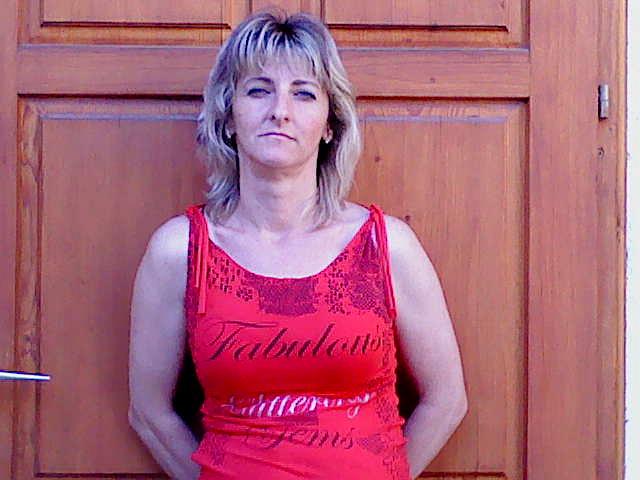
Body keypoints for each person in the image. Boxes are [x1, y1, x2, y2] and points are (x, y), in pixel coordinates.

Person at [128, 9, 467, 480]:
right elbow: (148, 412)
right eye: (258, 90)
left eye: (303, 93)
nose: (280, 110)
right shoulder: (180, 251)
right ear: (228, 116)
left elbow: (448, 400)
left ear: (330, 124)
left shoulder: (386, 246)